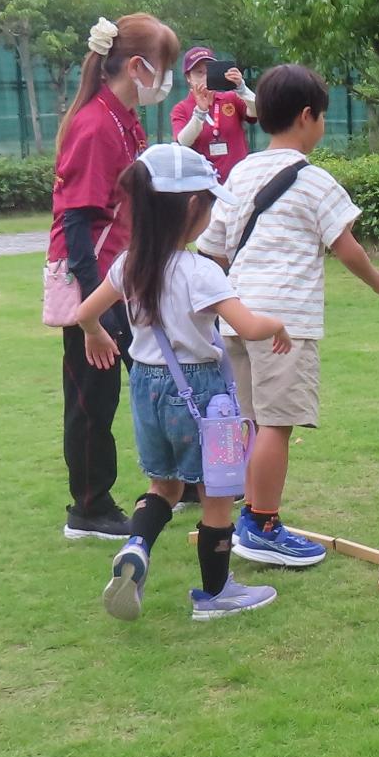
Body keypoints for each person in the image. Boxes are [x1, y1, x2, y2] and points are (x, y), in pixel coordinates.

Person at [195, 64, 379, 566]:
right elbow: (345, 244)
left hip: (237, 317)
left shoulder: (240, 172)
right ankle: (263, 526)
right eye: (321, 118)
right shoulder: (314, 181)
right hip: (283, 325)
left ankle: (250, 517)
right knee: (277, 424)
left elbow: (215, 251)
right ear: (307, 116)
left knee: (251, 420)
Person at [75, 143, 291, 622]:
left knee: (163, 486)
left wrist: (95, 334)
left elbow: (84, 312)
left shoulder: (128, 264)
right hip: (203, 396)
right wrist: (277, 325)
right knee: (216, 492)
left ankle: (136, 546)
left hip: (146, 389)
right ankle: (217, 594)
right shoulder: (201, 272)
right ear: (193, 207)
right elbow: (248, 325)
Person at [51, 13, 182, 540]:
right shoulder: (93, 125)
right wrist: (94, 312)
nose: (165, 82)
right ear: (136, 66)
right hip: (97, 284)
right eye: (164, 69)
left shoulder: (122, 117)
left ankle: (182, 478)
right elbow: (77, 221)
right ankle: (88, 507)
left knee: (164, 375)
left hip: (126, 277)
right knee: (93, 396)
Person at [172, 46, 256, 183]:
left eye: (208, 72)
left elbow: (257, 111)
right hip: (204, 188)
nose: (205, 77)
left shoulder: (231, 98)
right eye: (199, 73)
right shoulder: (181, 109)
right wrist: (200, 112)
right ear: (188, 77)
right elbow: (182, 142)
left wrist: (242, 88)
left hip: (239, 182)